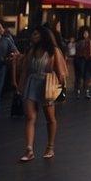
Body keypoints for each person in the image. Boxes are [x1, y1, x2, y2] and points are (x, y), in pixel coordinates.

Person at [14, 26, 67, 161]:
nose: (33, 36)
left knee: (50, 118)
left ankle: (50, 146)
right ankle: (29, 149)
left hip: (47, 84)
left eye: (36, 33)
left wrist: (61, 89)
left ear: (43, 36)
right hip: (32, 83)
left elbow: (61, 72)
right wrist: (20, 86)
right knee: (30, 117)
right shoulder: (32, 50)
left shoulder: (53, 51)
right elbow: (25, 70)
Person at [73, 27, 91, 98]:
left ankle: (86, 91)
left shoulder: (89, 41)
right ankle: (78, 91)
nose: (85, 34)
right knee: (79, 76)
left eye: (86, 33)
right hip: (80, 60)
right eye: (84, 33)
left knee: (86, 76)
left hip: (88, 60)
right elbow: (76, 52)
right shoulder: (79, 42)